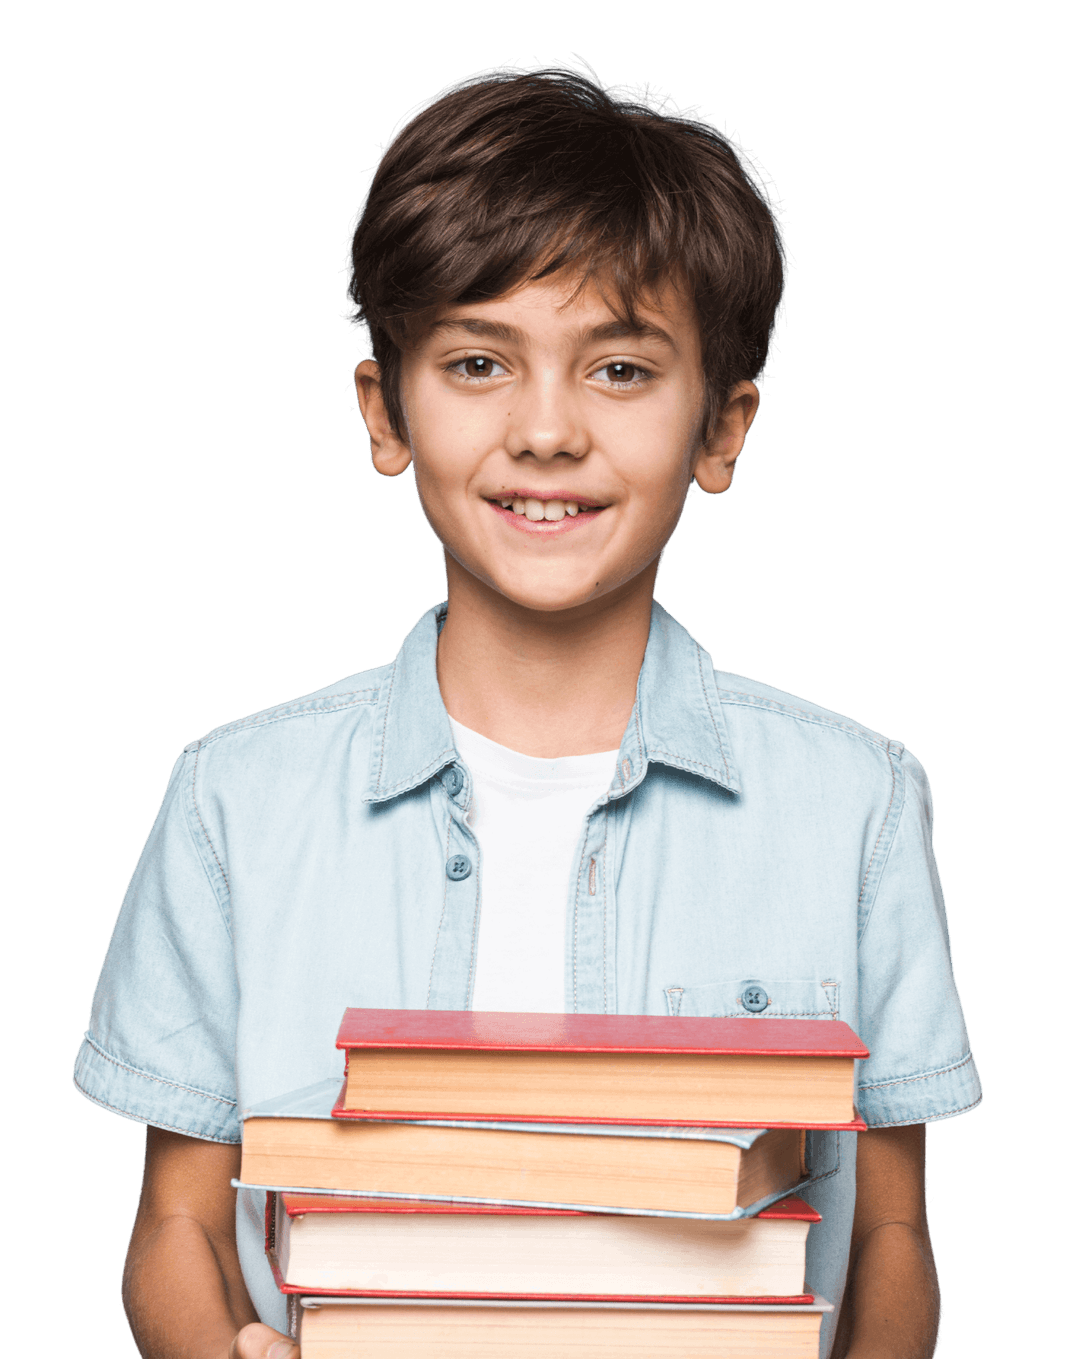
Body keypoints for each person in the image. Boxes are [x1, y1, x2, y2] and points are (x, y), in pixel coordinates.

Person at [73, 60, 981, 1359]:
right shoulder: (235, 799)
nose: (546, 430)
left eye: (619, 368)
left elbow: (892, 1233)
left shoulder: (858, 803)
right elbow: (176, 1220)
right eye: (480, 360)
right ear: (387, 409)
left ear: (720, 430)